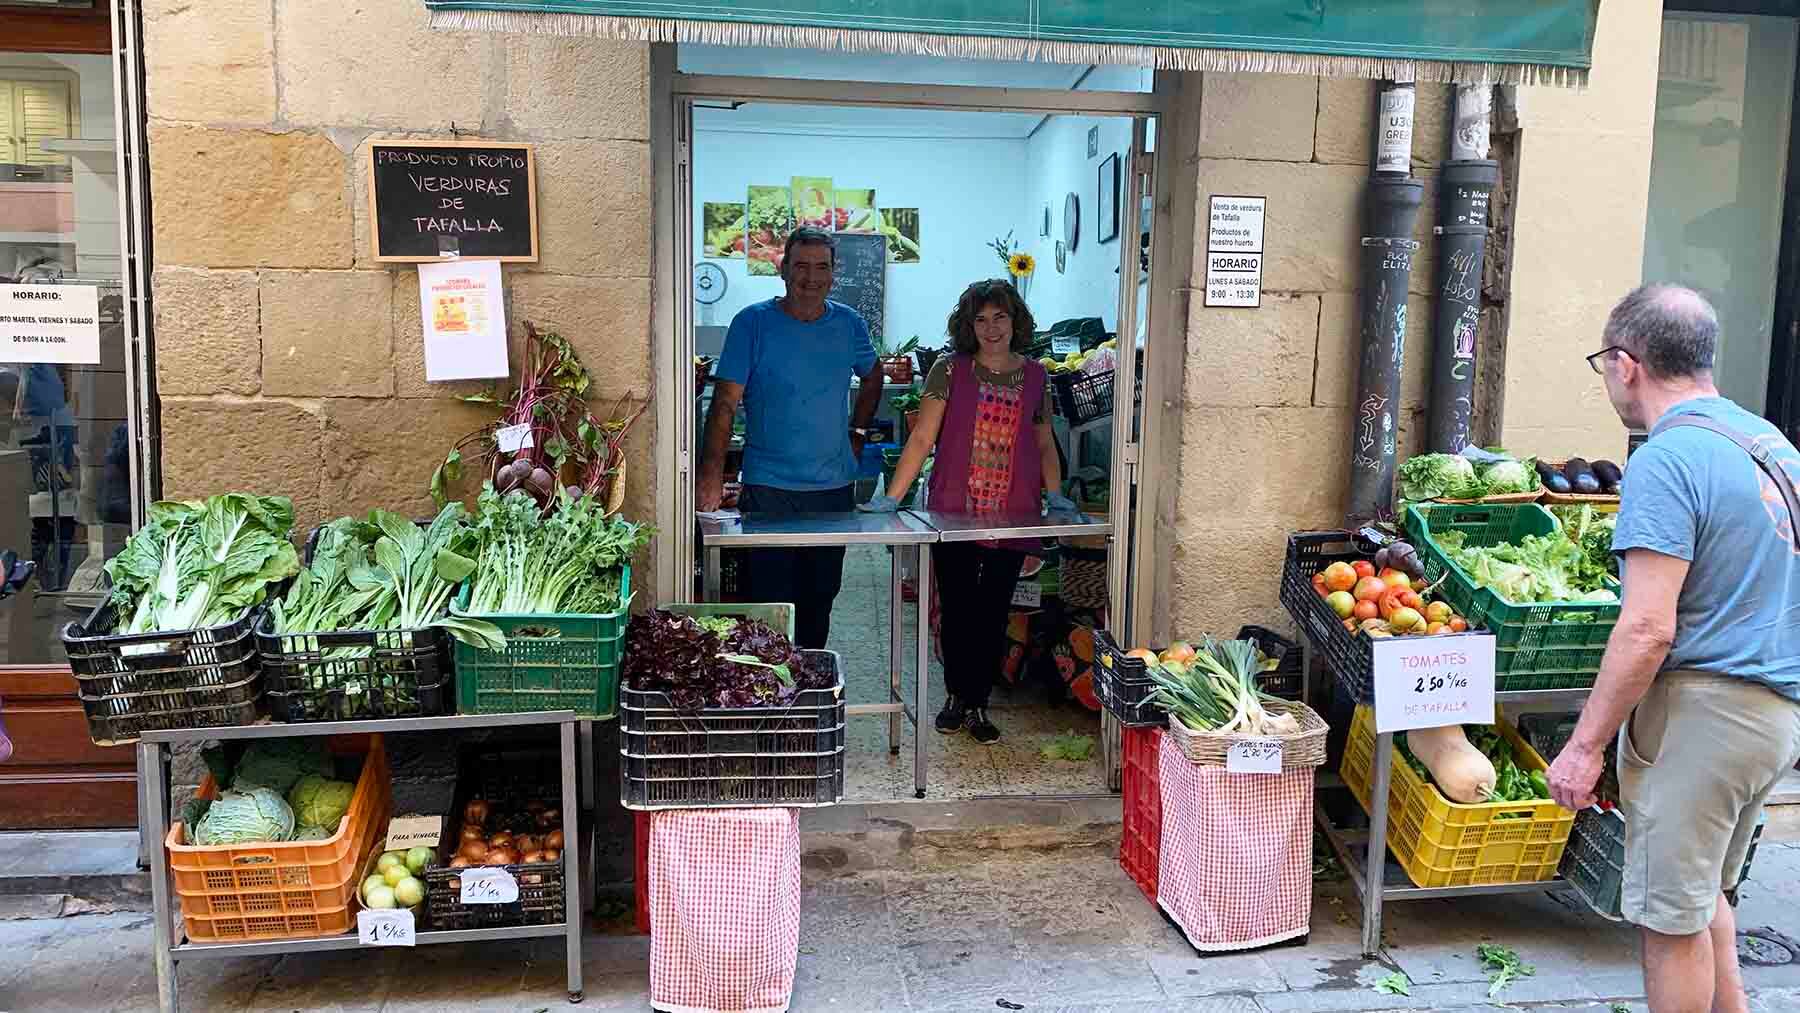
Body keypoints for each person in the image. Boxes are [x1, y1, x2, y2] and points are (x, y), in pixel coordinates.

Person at [1546, 284, 1800, 1013]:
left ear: (1627, 364)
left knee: (1670, 923)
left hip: (1703, 719)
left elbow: (1647, 627)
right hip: (1774, 715)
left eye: (1603, 365)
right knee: (1707, 897)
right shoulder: (1771, 445)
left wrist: (1586, 745)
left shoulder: (1667, 458)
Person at [863, 279, 1074, 743]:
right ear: (968, 325)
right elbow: (922, 438)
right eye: (981, 319)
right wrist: (892, 498)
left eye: (1000, 317)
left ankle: (978, 703)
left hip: (1013, 514)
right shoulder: (948, 370)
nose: (991, 327)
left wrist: (1055, 496)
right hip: (954, 512)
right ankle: (955, 696)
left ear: (1015, 320)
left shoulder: (1036, 376)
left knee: (993, 612)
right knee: (956, 609)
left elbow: (1043, 443)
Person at [696, 227, 884, 649]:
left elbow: (873, 375)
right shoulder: (752, 323)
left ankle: (810, 698)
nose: (811, 277)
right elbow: (724, 403)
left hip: (832, 489)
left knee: (819, 602)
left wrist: (857, 432)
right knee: (768, 605)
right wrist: (710, 474)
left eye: (822, 267)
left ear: (833, 274)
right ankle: (770, 699)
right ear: (782, 269)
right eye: (801, 265)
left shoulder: (849, 324)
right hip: (769, 489)